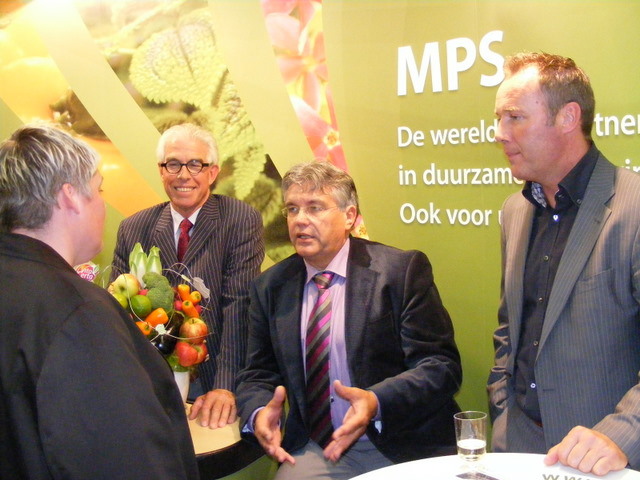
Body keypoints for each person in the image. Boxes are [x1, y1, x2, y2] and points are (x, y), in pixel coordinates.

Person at [236, 161, 461, 480]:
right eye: (292, 209)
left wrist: (375, 401)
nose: (300, 219)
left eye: (315, 208)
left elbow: (440, 367)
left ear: (350, 216)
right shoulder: (271, 286)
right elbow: (257, 372)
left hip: (399, 442)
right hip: (319, 447)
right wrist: (259, 412)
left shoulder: (400, 271)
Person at [0, 124, 199, 479]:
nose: (103, 203)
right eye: (98, 189)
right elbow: (125, 459)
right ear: (70, 197)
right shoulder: (79, 313)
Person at [488, 51, 640, 476]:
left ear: (568, 117)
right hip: (517, 447)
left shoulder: (633, 209)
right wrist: (502, 410)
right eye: (499, 118)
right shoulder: (514, 212)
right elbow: (509, 329)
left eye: (514, 117)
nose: (499, 133)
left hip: (602, 460)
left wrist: (623, 433)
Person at [111, 123, 264, 429]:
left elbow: (238, 306)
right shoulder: (133, 228)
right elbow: (118, 315)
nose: (183, 175)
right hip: (150, 384)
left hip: (215, 379)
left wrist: (225, 387)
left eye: (195, 164)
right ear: (161, 170)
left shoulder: (240, 219)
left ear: (212, 172)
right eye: (173, 164)